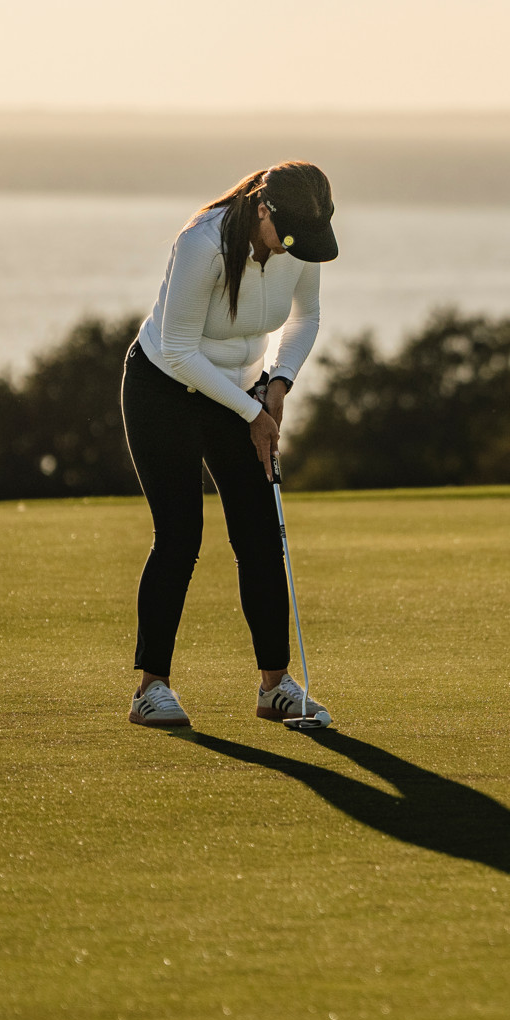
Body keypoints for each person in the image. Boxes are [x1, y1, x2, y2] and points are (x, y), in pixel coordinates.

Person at [125, 161, 339, 729]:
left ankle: (275, 687)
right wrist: (252, 413)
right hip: (164, 389)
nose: (292, 249)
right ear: (264, 210)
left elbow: (307, 317)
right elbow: (178, 350)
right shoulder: (204, 243)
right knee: (179, 536)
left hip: (242, 390)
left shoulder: (298, 240)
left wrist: (280, 383)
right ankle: (150, 689)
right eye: (286, 238)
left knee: (260, 536)